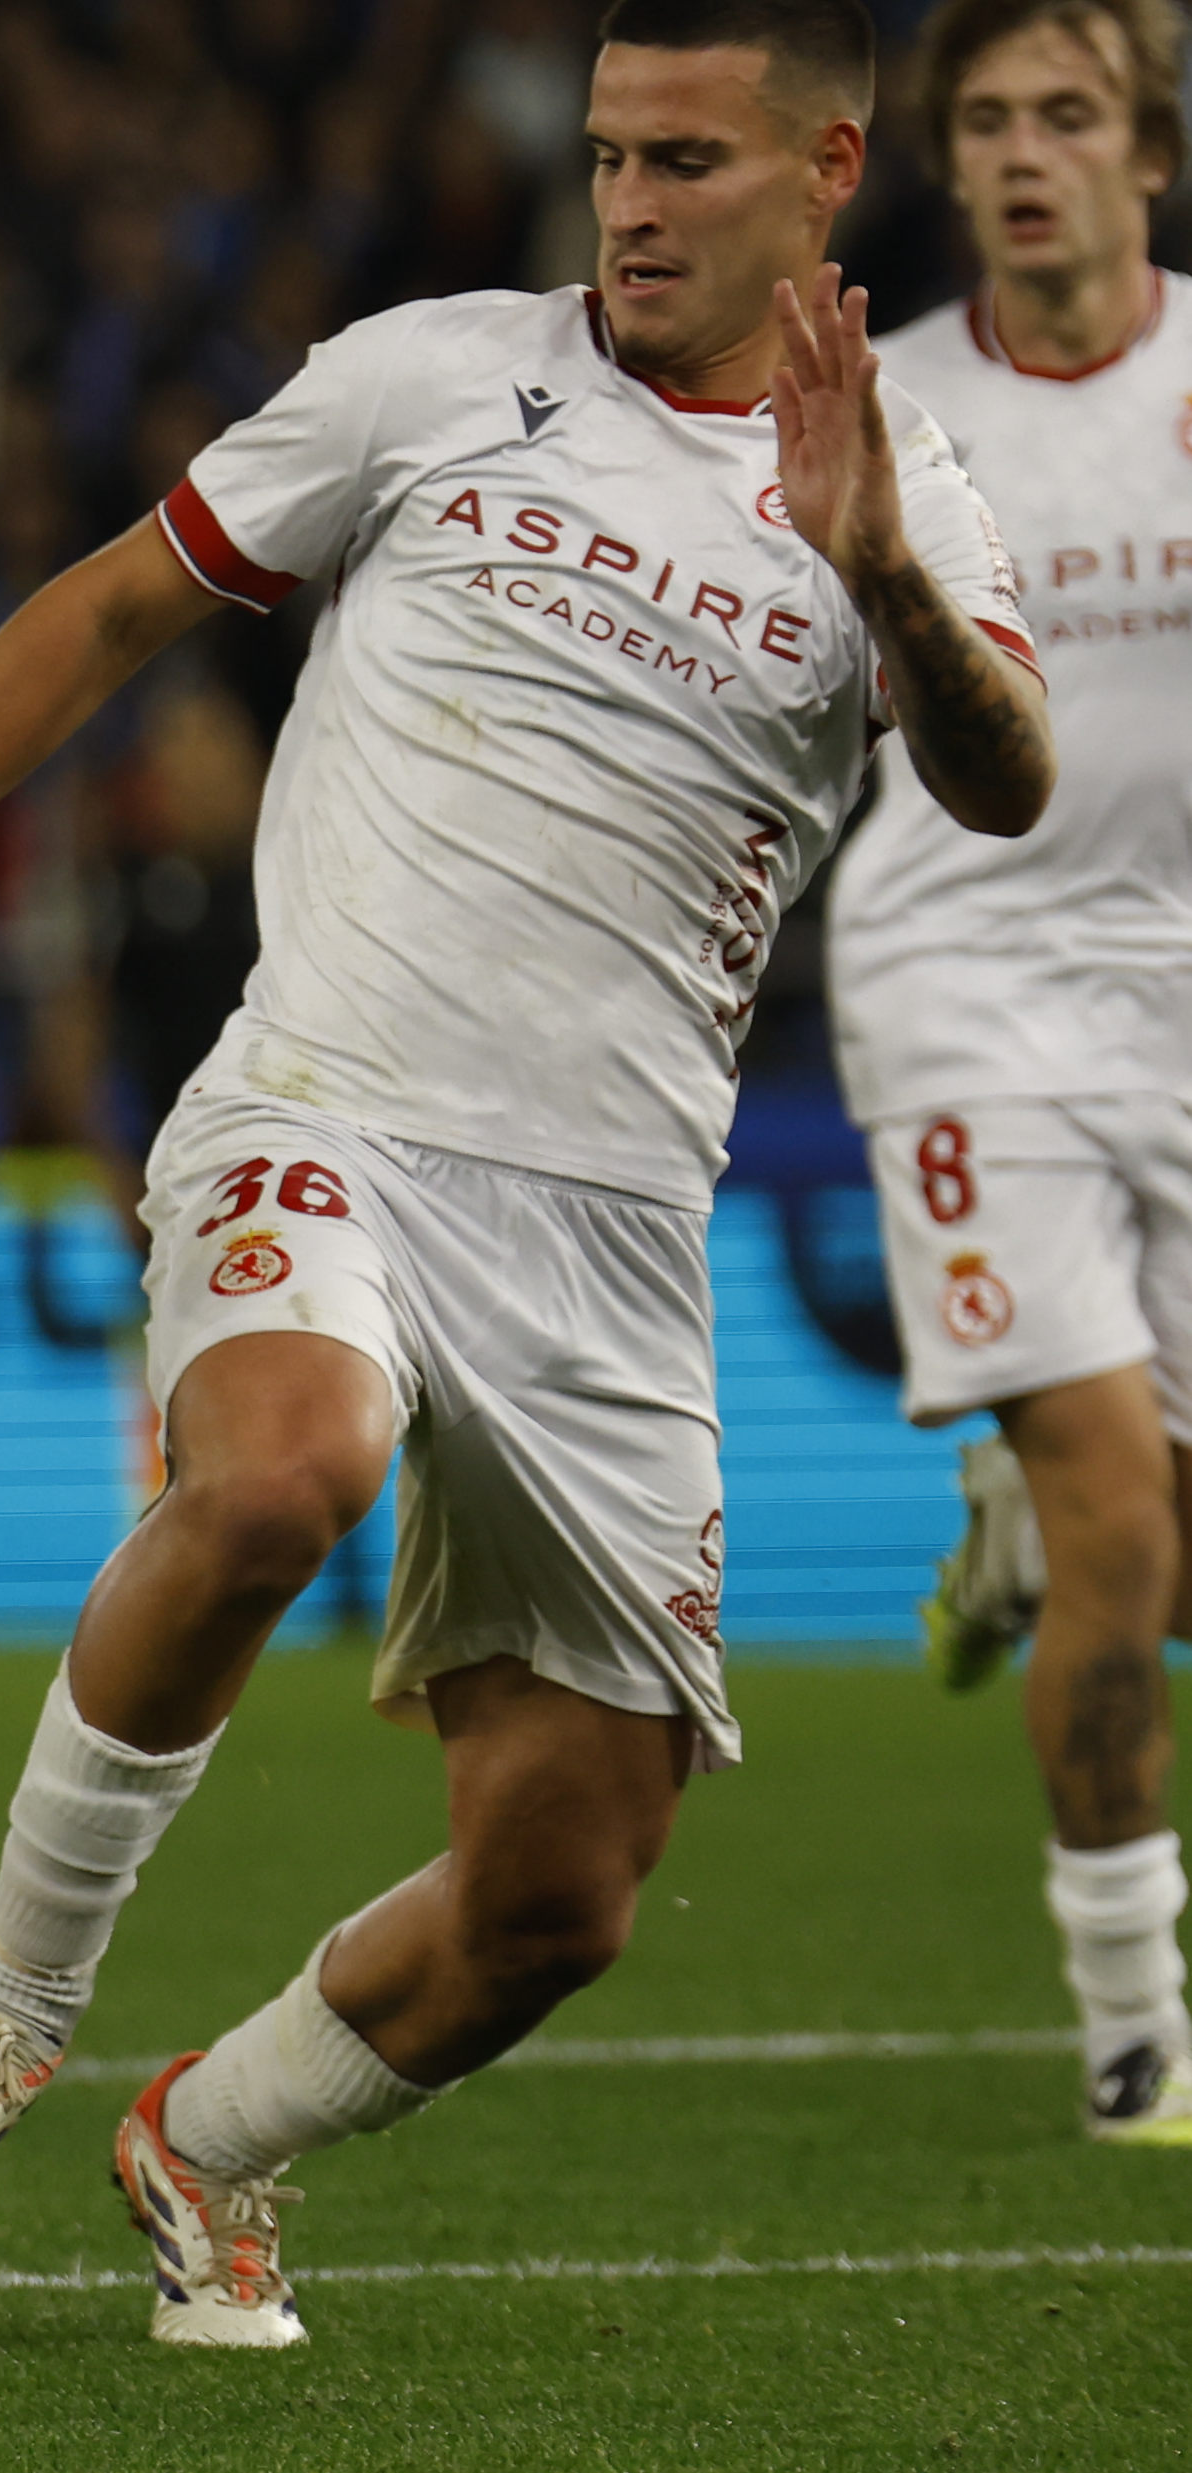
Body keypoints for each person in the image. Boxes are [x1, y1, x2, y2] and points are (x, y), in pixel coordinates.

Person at [0, 0, 1049, 2350]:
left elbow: (1003, 780)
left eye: (685, 162)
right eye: (605, 153)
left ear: (824, 174)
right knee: (281, 1471)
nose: (622, 203)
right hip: (326, 1092)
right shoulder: (425, 378)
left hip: (609, 1229)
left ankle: (201, 2138)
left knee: (563, 1893)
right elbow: (109, 603)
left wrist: (883, 572)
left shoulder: (903, 488)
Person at [827, 0, 1192, 2144]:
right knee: (1117, 1514)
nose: (1022, 153)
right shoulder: (887, 407)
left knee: (1136, 1550)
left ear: (1145, 149)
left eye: (1065, 113)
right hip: (962, 977)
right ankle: (1132, 2019)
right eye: (983, 120)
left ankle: (1009, 1553)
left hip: (1182, 984)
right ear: (943, 163)